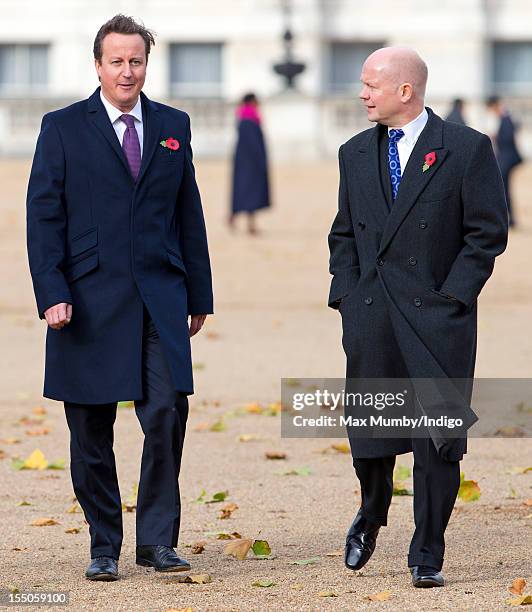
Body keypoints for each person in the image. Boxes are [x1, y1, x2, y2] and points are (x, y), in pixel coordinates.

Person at [26, 14, 213, 582]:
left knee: (166, 413)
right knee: (90, 429)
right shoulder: (62, 127)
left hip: (160, 296)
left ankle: (156, 541)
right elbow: (43, 216)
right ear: (98, 65)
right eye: (117, 61)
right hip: (85, 301)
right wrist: (52, 292)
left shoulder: (173, 124)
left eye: (136, 61)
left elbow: (189, 213)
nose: (127, 71)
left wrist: (199, 293)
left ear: (146, 64)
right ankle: (103, 543)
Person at [328, 47, 508, 588]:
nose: (362, 93)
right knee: (374, 435)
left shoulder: (467, 149)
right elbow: (343, 232)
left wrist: (453, 298)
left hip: (437, 320)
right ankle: (373, 508)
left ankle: (427, 550)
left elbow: (486, 233)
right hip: (373, 315)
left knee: (438, 440)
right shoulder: (354, 152)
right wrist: (347, 296)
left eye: (371, 85)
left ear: (405, 91)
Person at [229, 93, 270, 234]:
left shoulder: (244, 117)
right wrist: (260, 161)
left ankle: (238, 218)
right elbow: (253, 144)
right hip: (251, 162)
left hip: (243, 161)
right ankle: (248, 224)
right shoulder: (249, 119)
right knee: (251, 192)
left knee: (243, 190)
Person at [486, 95, 522, 227]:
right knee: (504, 189)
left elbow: (507, 139)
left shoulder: (505, 117)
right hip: (505, 158)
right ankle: (509, 218)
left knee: (503, 189)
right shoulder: (504, 117)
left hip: (507, 158)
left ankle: (509, 219)